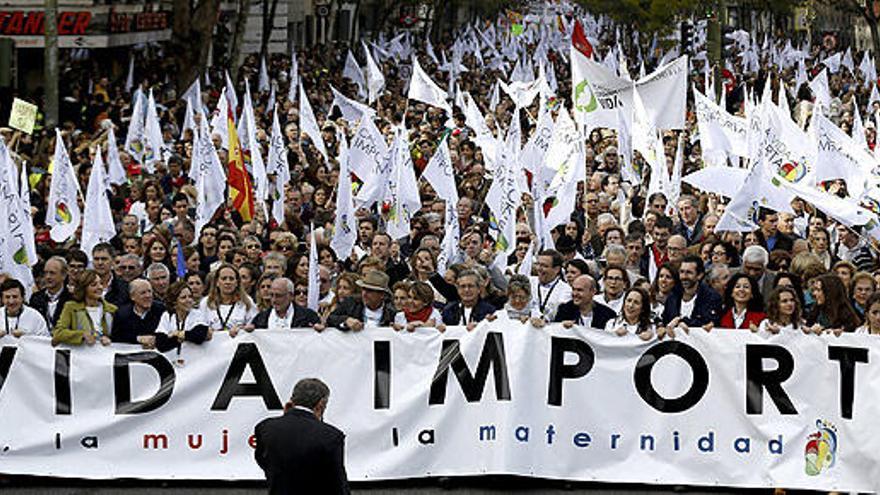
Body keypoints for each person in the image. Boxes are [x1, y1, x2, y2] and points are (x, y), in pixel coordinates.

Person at [254, 378, 349, 495]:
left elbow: (263, 461)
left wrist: (286, 416)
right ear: (320, 405)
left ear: (292, 400)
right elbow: (338, 484)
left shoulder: (265, 428)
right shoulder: (331, 437)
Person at [52, 269, 117, 346]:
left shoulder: (112, 309)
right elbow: (58, 333)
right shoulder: (71, 307)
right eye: (94, 285)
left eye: (101, 283)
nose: (99, 287)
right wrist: (81, 335)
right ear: (84, 288)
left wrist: (109, 339)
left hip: (105, 355)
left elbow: (119, 336)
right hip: (79, 355)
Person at [661, 255, 722, 327]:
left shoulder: (711, 297)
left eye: (689, 273)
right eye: (682, 272)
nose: (684, 276)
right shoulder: (673, 295)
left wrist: (682, 322)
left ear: (700, 275)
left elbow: (708, 322)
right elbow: (665, 320)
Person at [201, 263, 258, 337]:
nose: (228, 282)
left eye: (231, 279)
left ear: (237, 282)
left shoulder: (247, 301)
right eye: (224, 278)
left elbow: (254, 326)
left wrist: (243, 329)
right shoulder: (206, 302)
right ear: (217, 282)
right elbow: (200, 325)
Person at [154, 280, 211, 353]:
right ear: (174, 301)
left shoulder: (197, 314)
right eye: (183, 297)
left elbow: (199, 336)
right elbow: (161, 344)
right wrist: (184, 337)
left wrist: (177, 334)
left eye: (190, 296)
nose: (188, 300)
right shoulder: (167, 315)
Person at [326, 271, 395, 330]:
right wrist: (346, 320)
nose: (364, 293)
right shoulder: (351, 303)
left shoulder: (391, 313)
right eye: (363, 289)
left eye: (370, 290)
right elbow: (330, 318)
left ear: (382, 295)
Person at [111, 279, 165, 347]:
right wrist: (138, 338)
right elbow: (116, 338)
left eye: (149, 291)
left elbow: (168, 333)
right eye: (143, 293)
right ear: (132, 297)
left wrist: (155, 339)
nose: (148, 296)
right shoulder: (122, 314)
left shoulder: (162, 310)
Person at [252, 278, 321, 330]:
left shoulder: (309, 317)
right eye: (271, 295)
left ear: (290, 296)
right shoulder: (260, 319)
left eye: (278, 296)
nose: (274, 300)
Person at [529, 249, 572, 321]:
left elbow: (558, 311)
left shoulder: (566, 290)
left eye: (544, 266)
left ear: (556, 269)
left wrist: (543, 319)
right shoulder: (529, 282)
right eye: (538, 264)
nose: (539, 268)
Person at [30, 256, 72, 327]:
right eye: (45, 273)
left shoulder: (71, 298)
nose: (48, 277)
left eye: (52, 273)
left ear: (64, 275)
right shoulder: (36, 298)